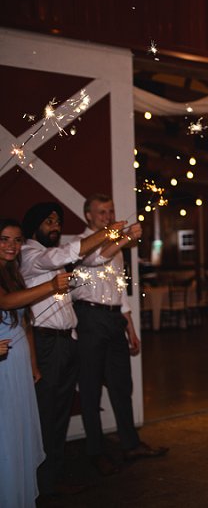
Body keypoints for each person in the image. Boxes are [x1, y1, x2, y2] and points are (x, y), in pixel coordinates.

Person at [20, 202, 123, 497]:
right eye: (48, 221)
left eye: (58, 221)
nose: (55, 226)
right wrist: (105, 233)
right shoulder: (31, 255)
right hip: (47, 342)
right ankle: (40, 484)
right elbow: (64, 255)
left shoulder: (49, 257)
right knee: (47, 415)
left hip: (66, 340)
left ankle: (52, 479)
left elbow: (81, 265)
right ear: (34, 225)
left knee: (60, 414)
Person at [71, 194, 165, 476]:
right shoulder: (81, 243)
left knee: (122, 384)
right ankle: (96, 451)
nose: (107, 216)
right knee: (90, 388)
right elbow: (96, 259)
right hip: (89, 316)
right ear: (89, 216)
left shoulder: (117, 247)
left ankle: (130, 443)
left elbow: (119, 289)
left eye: (110, 211)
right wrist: (124, 239)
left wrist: (130, 327)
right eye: (101, 212)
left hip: (113, 318)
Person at [0, 218, 70, 507]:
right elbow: (6, 303)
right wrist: (52, 286)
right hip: (2, 369)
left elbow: (24, 323)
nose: (11, 246)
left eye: (17, 240)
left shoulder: (12, 272)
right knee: (5, 436)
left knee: (19, 433)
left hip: (17, 366)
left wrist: (33, 364)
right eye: (4, 239)